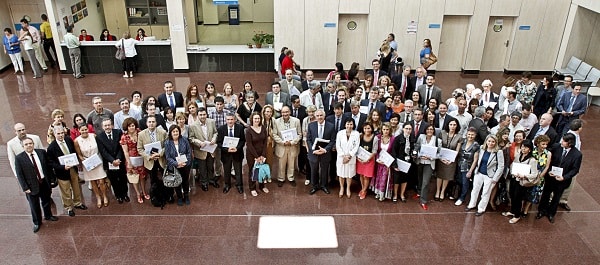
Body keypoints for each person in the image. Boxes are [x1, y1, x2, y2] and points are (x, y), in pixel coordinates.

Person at [15, 137, 58, 233]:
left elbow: (48, 167)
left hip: (44, 182)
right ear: (22, 146)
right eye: (26, 144)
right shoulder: (19, 158)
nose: (29, 145)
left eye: (30, 143)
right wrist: (25, 187)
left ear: (33, 144)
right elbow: (19, 174)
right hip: (31, 186)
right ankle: (37, 222)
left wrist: (51, 179)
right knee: (34, 205)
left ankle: (48, 215)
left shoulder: (41, 152)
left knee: (46, 201)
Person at [536, 133, 582, 223]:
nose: (562, 142)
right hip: (550, 177)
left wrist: (564, 177)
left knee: (556, 197)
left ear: (570, 143)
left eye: (564, 141)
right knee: (545, 194)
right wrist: (548, 170)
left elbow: (575, 169)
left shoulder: (577, 154)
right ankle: (541, 211)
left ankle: (551, 213)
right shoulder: (556, 147)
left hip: (562, 180)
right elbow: (548, 159)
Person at [46, 127, 87, 217]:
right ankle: (68, 207)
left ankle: (78, 203)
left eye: (62, 133)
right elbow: (51, 162)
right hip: (62, 172)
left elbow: (74, 152)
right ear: (54, 134)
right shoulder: (51, 147)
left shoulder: (68, 140)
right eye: (58, 134)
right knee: (65, 191)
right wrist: (62, 167)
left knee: (76, 187)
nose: (61, 135)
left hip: (72, 169)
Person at [465, 135, 505, 216]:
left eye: (493, 141)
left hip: (490, 175)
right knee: (475, 190)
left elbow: (501, 166)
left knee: (486, 192)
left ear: (495, 143)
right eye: (489, 141)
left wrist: (495, 178)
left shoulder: (498, 152)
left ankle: (481, 209)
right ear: (486, 141)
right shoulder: (481, 148)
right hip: (479, 173)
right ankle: (472, 204)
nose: (490, 143)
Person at [74, 124, 109, 209]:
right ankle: (98, 197)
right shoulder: (76, 141)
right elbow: (79, 154)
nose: (84, 131)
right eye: (82, 130)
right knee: (93, 181)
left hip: (97, 160)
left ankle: (104, 196)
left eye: (85, 129)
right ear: (79, 131)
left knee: (101, 181)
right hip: (87, 163)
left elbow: (100, 148)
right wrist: (86, 162)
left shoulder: (94, 136)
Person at [503, 139, 538, 224]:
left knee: (518, 198)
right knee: (512, 195)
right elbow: (513, 165)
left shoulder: (532, 160)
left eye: (525, 147)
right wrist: (513, 172)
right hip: (514, 179)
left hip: (522, 182)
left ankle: (517, 215)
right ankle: (512, 211)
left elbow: (534, 174)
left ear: (530, 149)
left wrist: (524, 175)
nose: (523, 149)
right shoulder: (519, 155)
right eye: (522, 147)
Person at [96, 119, 129, 204]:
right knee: (114, 180)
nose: (107, 127)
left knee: (123, 178)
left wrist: (118, 159)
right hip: (109, 163)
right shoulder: (99, 137)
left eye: (109, 125)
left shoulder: (118, 132)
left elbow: (121, 147)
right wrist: (112, 161)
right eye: (105, 126)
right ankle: (118, 196)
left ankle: (125, 194)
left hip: (120, 160)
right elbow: (103, 151)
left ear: (112, 125)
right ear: (103, 127)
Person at [189, 107, 219, 191]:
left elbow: (215, 132)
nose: (202, 116)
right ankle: (204, 183)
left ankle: (211, 180)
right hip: (200, 150)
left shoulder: (211, 122)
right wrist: (199, 143)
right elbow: (191, 138)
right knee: (202, 168)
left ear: (206, 114)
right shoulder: (193, 126)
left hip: (211, 149)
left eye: (204, 114)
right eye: (200, 115)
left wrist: (214, 139)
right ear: (197, 115)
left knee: (210, 166)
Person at [307, 109, 336, 195]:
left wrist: (325, 149)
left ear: (324, 116)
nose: (319, 117)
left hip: (325, 153)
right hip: (314, 152)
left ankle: (324, 185)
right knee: (314, 170)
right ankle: (314, 185)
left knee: (324, 170)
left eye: (321, 115)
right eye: (317, 116)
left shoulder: (331, 126)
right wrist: (313, 150)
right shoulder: (311, 125)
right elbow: (308, 139)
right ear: (315, 117)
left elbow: (332, 140)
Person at [120, 117, 149, 203]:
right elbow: (125, 151)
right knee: (134, 178)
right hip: (131, 159)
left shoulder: (140, 133)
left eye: (133, 125)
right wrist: (129, 163)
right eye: (129, 126)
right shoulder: (124, 137)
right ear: (127, 127)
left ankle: (144, 192)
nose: (132, 128)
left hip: (141, 157)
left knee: (142, 177)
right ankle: (138, 194)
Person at [272, 106, 302, 187]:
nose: (285, 114)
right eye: (283, 112)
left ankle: (291, 178)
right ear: (281, 113)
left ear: (290, 112)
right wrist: (282, 142)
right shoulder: (276, 121)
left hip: (292, 146)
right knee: (281, 164)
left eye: (286, 112)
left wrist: (292, 142)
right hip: (282, 146)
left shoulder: (296, 121)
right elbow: (274, 134)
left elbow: (299, 134)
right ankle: (281, 178)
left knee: (291, 164)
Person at [217, 113, 246, 194]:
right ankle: (227, 185)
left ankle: (239, 185)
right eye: (228, 119)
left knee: (238, 170)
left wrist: (237, 148)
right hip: (226, 154)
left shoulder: (240, 128)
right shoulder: (221, 129)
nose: (230, 121)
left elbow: (243, 141)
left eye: (231, 119)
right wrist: (227, 149)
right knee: (226, 170)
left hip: (237, 153)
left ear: (235, 120)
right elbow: (219, 143)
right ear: (226, 120)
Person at [435, 119, 463, 202]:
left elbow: (457, 150)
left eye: (454, 125)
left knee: (447, 176)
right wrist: (441, 158)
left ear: (457, 126)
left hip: (451, 159)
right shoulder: (442, 133)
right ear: (448, 125)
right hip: (441, 158)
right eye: (451, 124)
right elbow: (438, 146)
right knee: (440, 175)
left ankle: (442, 192)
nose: (452, 126)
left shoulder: (459, 136)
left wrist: (451, 160)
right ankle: (437, 191)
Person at [559, 119, 584, 211]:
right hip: (567, 162)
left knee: (569, 184)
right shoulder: (569, 137)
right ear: (579, 128)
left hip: (573, 161)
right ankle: (554, 199)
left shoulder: (575, 135)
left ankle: (563, 200)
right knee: (566, 181)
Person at [414, 125, 441, 209]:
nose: (429, 131)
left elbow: (440, 154)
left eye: (431, 129)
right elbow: (416, 147)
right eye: (428, 129)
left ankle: (423, 201)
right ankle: (419, 193)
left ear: (434, 131)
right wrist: (418, 155)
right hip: (420, 161)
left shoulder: (437, 140)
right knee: (420, 179)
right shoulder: (421, 137)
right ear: (425, 130)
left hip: (430, 163)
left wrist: (431, 157)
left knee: (426, 182)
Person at [164, 125, 192, 205]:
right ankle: (179, 197)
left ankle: (186, 196)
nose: (175, 133)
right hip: (175, 166)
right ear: (170, 133)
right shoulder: (167, 142)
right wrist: (177, 164)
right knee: (177, 182)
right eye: (174, 131)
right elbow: (168, 157)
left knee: (185, 181)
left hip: (185, 165)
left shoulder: (184, 140)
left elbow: (189, 153)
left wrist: (185, 163)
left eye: (177, 131)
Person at [245, 112, 269, 197]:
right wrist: (257, 157)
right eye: (255, 118)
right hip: (252, 155)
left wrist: (263, 155)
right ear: (252, 119)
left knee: (262, 170)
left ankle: (262, 186)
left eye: (258, 118)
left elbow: (265, 141)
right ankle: (252, 188)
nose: (257, 120)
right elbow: (249, 145)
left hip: (262, 154)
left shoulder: (263, 128)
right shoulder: (248, 130)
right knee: (253, 171)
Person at [455, 128, 480, 206]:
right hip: (459, 164)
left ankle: (462, 198)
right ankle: (457, 195)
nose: (470, 136)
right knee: (459, 181)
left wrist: (470, 171)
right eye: (469, 134)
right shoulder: (463, 141)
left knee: (465, 183)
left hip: (467, 167)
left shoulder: (476, 145)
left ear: (475, 135)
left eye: (472, 134)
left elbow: (475, 160)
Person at [336, 119, 360, 198]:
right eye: (348, 124)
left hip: (351, 157)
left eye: (351, 124)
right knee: (341, 174)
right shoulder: (340, 133)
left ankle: (348, 188)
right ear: (345, 125)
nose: (349, 126)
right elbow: (338, 146)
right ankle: (342, 188)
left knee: (349, 174)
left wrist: (349, 156)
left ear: (353, 125)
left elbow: (356, 146)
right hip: (341, 157)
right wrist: (344, 156)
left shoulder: (356, 134)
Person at [373, 123, 396, 201]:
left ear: (389, 130)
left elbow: (393, 152)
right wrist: (377, 159)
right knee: (378, 178)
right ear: (381, 130)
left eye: (387, 129)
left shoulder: (393, 139)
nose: (385, 131)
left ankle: (383, 194)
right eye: (384, 129)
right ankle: (378, 193)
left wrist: (389, 162)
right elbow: (375, 150)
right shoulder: (378, 137)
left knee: (384, 178)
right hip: (379, 161)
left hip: (387, 162)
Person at [390, 123, 413, 202]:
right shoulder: (398, 138)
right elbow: (394, 152)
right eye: (406, 128)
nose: (408, 130)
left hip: (408, 162)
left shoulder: (412, 138)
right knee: (396, 179)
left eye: (410, 129)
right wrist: (395, 164)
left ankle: (402, 194)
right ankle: (395, 194)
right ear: (403, 129)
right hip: (399, 162)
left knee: (405, 179)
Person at [357, 123, 379, 200]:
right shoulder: (360, 136)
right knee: (361, 175)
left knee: (366, 176)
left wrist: (367, 159)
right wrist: (358, 158)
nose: (367, 130)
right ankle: (362, 188)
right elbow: (357, 147)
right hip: (360, 159)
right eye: (365, 128)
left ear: (372, 129)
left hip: (369, 160)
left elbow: (374, 151)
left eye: (368, 128)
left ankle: (364, 190)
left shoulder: (375, 138)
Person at [301, 105, 318, 186]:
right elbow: (304, 133)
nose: (311, 113)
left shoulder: (318, 119)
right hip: (306, 144)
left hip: (317, 144)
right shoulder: (305, 120)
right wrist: (307, 147)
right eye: (309, 112)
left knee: (316, 162)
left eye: (313, 111)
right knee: (308, 161)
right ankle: (308, 178)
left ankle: (316, 178)